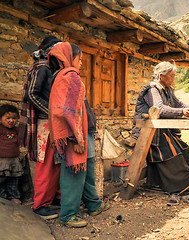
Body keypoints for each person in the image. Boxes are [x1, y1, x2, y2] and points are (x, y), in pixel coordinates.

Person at [131, 61, 189, 204]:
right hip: (150, 133)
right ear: (162, 75)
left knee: (184, 149)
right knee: (173, 152)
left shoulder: (167, 89)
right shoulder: (152, 89)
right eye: (171, 75)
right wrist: (181, 112)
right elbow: (160, 108)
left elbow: (179, 104)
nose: (173, 78)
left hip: (162, 131)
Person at [48, 42, 110, 228]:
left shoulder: (61, 76)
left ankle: (94, 204)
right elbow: (68, 111)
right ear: (68, 57)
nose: (81, 63)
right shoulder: (70, 76)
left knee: (87, 169)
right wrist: (76, 138)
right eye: (80, 58)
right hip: (75, 134)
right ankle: (68, 214)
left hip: (83, 131)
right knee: (74, 173)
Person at [19, 36, 62, 220]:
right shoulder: (43, 68)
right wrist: (52, 111)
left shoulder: (50, 68)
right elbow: (31, 94)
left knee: (55, 164)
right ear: (50, 51)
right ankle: (40, 205)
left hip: (52, 122)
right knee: (46, 165)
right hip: (46, 123)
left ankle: (53, 198)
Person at [0, 104, 23, 204]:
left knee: (13, 180)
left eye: (14, 118)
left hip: (14, 160)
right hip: (1, 161)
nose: (11, 120)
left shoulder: (17, 130)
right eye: (7, 118)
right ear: (0, 119)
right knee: (1, 180)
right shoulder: (0, 129)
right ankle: (2, 196)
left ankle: (14, 196)